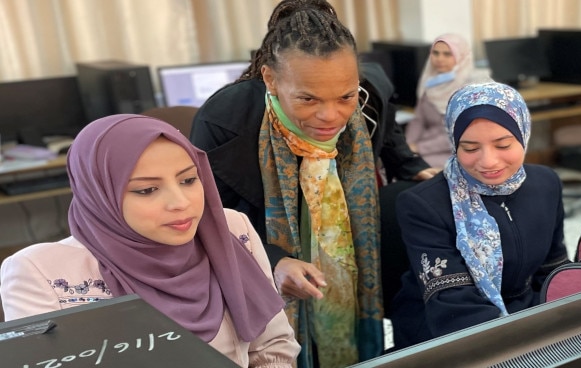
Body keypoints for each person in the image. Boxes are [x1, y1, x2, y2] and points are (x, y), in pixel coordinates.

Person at [189, 1, 439, 366]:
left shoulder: (370, 92)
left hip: (346, 235)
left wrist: (413, 166)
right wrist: (273, 261)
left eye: (345, 97)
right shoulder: (225, 120)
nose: (330, 116)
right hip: (260, 237)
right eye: (307, 99)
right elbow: (207, 216)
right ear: (271, 79)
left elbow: (387, 135)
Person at [0, 114, 300, 368]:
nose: (181, 202)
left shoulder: (230, 229)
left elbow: (273, 346)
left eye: (188, 180)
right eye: (147, 190)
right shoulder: (40, 271)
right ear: (99, 195)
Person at [390, 82, 571, 349]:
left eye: (503, 144)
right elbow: (454, 306)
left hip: (526, 313)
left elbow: (553, 270)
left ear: (523, 134)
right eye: (471, 148)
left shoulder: (546, 184)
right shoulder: (423, 205)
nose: (488, 161)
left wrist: (566, 320)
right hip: (446, 331)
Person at [405, 33, 478, 169]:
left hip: (457, 149)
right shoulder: (429, 82)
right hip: (427, 144)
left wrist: (418, 147)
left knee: (411, 168)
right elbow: (418, 120)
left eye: (447, 54)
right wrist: (407, 146)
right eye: (435, 53)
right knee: (394, 164)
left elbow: (459, 133)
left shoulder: (469, 90)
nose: (439, 59)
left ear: (461, 56)